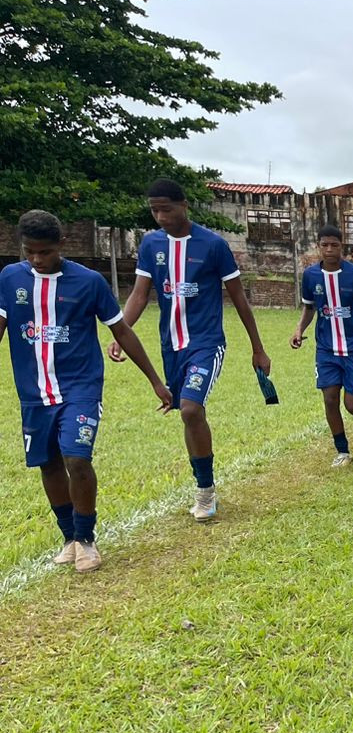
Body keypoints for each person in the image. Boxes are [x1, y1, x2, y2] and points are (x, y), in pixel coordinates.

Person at [0, 210, 172, 571]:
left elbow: (121, 330)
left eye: (44, 252)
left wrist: (156, 381)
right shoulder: (10, 278)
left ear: (61, 245)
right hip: (34, 392)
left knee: (76, 458)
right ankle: (68, 537)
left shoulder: (89, 282)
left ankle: (86, 538)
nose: (36, 259)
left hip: (81, 387)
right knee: (47, 464)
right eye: (29, 251)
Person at [117, 178, 272, 522]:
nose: (159, 216)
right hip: (171, 346)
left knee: (189, 408)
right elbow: (141, 294)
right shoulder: (151, 244)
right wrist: (120, 332)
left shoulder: (213, 245)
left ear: (184, 206)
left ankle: (205, 493)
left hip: (206, 343)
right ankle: (204, 486)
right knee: (187, 412)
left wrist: (257, 348)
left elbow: (239, 298)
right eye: (154, 210)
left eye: (166, 209)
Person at [292, 225, 353, 467]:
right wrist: (299, 329)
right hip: (326, 350)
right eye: (325, 245)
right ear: (318, 247)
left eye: (335, 245)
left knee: (352, 404)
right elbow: (310, 307)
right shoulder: (311, 276)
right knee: (330, 399)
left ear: (342, 247)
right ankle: (342, 452)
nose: (330, 249)